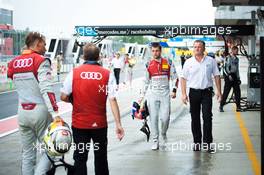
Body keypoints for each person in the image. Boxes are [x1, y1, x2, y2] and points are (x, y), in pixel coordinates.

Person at [60, 43, 124, 175]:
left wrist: (75, 100)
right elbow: (112, 100)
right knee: (100, 158)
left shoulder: (74, 73)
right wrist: (118, 124)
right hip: (99, 125)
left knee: (80, 157)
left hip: (79, 124)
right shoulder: (107, 74)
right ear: (99, 57)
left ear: (83, 57)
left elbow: (64, 96)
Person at [7, 32, 61, 175]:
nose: (45, 47)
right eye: (44, 43)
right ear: (37, 44)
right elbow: (47, 90)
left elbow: (13, 79)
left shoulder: (13, 63)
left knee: (27, 154)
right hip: (40, 111)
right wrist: (55, 114)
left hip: (22, 112)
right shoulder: (42, 60)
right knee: (53, 149)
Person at [181, 40, 222, 153]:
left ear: (204, 49)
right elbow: (183, 78)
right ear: (193, 49)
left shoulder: (211, 61)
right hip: (193, 93)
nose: (197, 49)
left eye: (199, 47)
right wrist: (183, 94)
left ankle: (208, 143)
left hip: (206, 93)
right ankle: (197, 142)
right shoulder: (188, 62)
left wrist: (219, 91)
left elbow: (217, 76)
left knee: (207, 117)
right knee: (195, 118)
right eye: (195, 47)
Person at [140, 42, 178, 150]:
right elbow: (145, 82)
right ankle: (155, 140)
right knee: (154, 118)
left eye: (157, 50)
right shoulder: (148, 64)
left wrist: (174, 90)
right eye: (153, 51)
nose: (155, 53)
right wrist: (141, 96)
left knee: (165, 118)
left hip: (165, 94)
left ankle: (164, 133)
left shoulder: (168, 62)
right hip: (153, 94)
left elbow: (175, 78)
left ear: (160, 51)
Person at [219, 46, 242, 112]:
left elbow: (237, 69)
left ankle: (238, 107)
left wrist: (238, 78)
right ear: (233, 50)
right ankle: (221, 106)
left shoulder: (237, 59)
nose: (237, 52)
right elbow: (225, 68)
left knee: (237, 92)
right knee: (226, 92)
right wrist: (228, 75)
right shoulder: (227, 58)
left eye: (237, 51)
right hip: (228, 76)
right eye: (236, 50)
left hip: (234, 76)